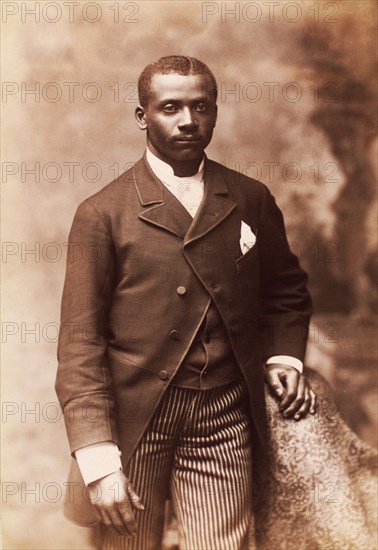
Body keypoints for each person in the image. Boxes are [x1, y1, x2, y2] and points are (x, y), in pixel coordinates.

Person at [56, 56, 316, 550]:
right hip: (135, 419)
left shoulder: (249, 197)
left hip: (223, 407)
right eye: (170, 107)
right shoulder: (102, 214)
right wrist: (97, 460)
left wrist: (284, 356)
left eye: (201, 107)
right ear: (142, 116)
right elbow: (79, 344)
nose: (187, 121)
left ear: (215, 113)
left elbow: (286, 292)